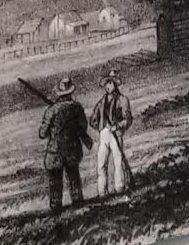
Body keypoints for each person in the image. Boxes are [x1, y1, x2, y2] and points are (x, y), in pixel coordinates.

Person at [38, 77, 91, 211]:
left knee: (55, 182)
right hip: (73, 150)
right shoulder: (77, 107)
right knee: (74, 178)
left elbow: (42, 134)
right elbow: (83, 127)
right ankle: (78, 205)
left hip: (55, 152)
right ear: (70, 92)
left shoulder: (51, 110)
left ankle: (56, 209)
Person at [90, 70, 134, 197]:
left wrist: (117, 126)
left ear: (115, 84)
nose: (108, 85)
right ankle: (102, 192)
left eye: (111, 83)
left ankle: (120, 188)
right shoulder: (101, 102)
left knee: (118, 161)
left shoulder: (122, 100)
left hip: (116, 133)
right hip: (104, 134)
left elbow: (128, 119)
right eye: (107, 83)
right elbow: (93, 119)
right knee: (101, 163)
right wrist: (101, 128)